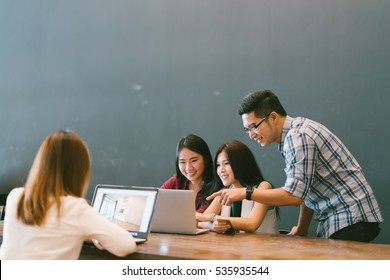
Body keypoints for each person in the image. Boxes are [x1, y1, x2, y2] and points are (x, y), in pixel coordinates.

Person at [208, 90, 383, 242]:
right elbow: (304, 190)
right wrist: (301, 228)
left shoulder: (297, 137)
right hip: (344, 217)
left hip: (349, 217)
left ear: (273, 117)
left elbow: (294, 196)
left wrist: (245, 193)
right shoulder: (291, 137)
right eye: (247, 130)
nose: (251, 135)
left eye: (254, 127)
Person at [0, 130, 136, 259]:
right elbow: (126, 245)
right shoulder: (76, 209)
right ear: (80, 171)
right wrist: (95, 236)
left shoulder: (15, 196)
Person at [197, 140, 279, 234]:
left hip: (266, 247)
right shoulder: (224, 191)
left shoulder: (263, 187)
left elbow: (252, 224)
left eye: (226, 163)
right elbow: (200, 221)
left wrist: (213, 218)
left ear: (241, 163)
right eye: (218, 165)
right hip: (235, 248)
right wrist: (212, 226)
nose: (221, 170)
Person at [161, 134, 216, 213]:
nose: (188, 168)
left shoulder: (216, 185)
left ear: (205, 159)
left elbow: (201, 217)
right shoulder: (176, 181)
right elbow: (155, 203)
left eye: (194, 161)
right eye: (182, 162)